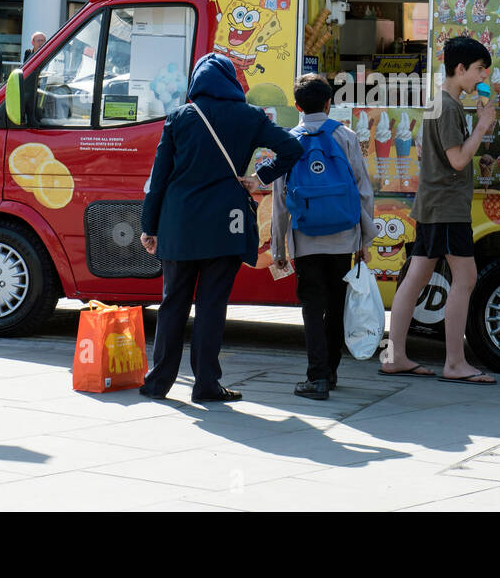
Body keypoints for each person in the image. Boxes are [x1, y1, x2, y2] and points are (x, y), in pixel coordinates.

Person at [138, 53, 302, 402]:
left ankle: (158, 383)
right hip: (226, 223)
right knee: (212, 305)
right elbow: (292, 148)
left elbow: (159, 179)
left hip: (179, 222)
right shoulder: (250, 117)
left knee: (173, 304)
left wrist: (148, 226)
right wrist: (260, 177)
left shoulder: (180, 117)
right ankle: (206, 384)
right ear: (231, 81)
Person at [380, 35, 497, 383]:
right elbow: (458, 160)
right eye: (478, 70)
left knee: (416, 278)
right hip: (446, 207)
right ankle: (455, 363)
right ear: (459, 68)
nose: (482, 78)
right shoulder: (448, 106)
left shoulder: (439, 103)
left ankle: (395, 356)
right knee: (465, 278)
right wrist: (482, 126)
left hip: (434, 203)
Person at [270, 74, 376, 401]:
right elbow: (363, 191)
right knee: (335, 303)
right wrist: (364, 240)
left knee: (312, 307)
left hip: (306, 240)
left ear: (298, 106)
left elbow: (279, 200)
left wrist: (279, 247)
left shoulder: (287, 141)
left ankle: (315, 377)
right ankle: (330, 372)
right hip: (344, 238)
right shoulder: (345, 136)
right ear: (329, 103)